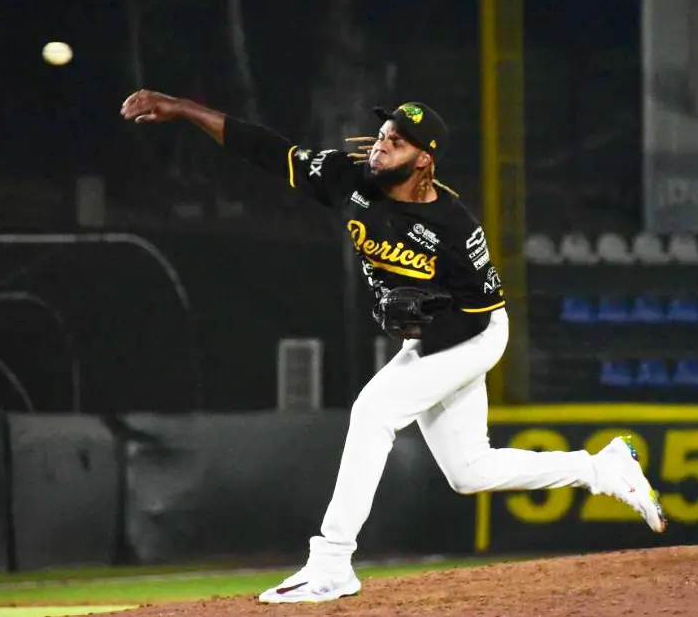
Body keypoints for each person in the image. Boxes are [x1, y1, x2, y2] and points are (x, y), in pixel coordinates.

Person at [119, 90, 667, 604]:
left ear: (424, 160)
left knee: (373, 411)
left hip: (474, 334)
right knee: (469, 471)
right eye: (383, 134)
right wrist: (181, 107)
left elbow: (481, 312)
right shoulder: (349, 179)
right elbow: (264, 147)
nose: (381, 144)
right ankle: (603, 469)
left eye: (397, 141)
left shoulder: (454, 227)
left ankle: (332, 563)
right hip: (437, 338)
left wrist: (426, 322)